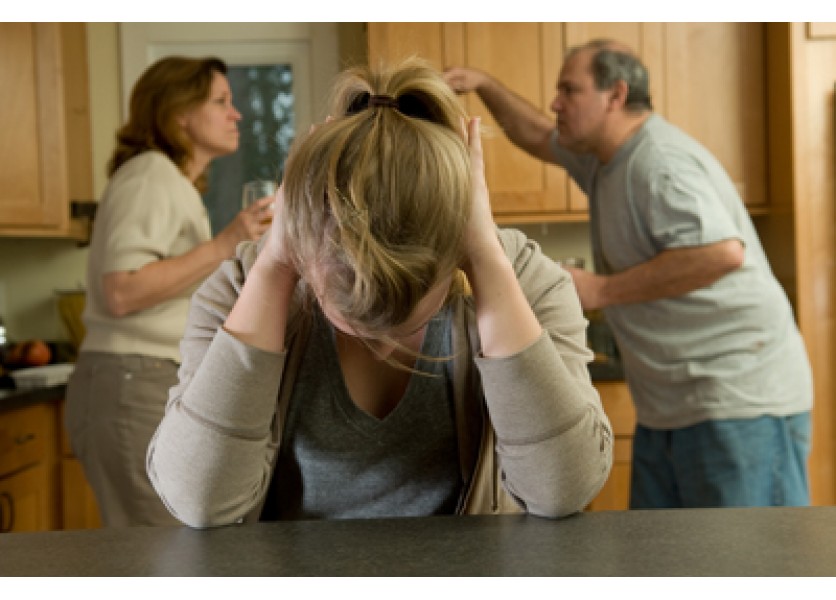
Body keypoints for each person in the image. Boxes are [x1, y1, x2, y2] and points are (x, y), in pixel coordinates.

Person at [146, 57, 613, 528]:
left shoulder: (524, 280)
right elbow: (199, 501)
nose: (380, 337)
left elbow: (561, 489)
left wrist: (485, 256)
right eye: (347, 301)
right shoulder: (242, 285)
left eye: (407, 307)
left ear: (454, 249)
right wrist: (274, 266)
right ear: (305, 247)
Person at [444, 40, 814, 509]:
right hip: (673, 406)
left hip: (740, 400)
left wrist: (601, 289)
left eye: (569, 90)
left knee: (750, 571)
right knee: (663, 565)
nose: (555, 102)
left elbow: (722, 253)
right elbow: (535, 133)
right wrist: (483, 84)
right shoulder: (603, 158)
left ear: (615, 95)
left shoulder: (658, 161)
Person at [65, 56, 272, 527]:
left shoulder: (170, 183)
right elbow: (121, 290)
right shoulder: (149, 174)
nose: (235, 113)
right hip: (131, 380)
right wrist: (223, 244)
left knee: (164, 547)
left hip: (140, 378)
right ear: (179, 113)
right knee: (155, 549)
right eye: (221, 101)